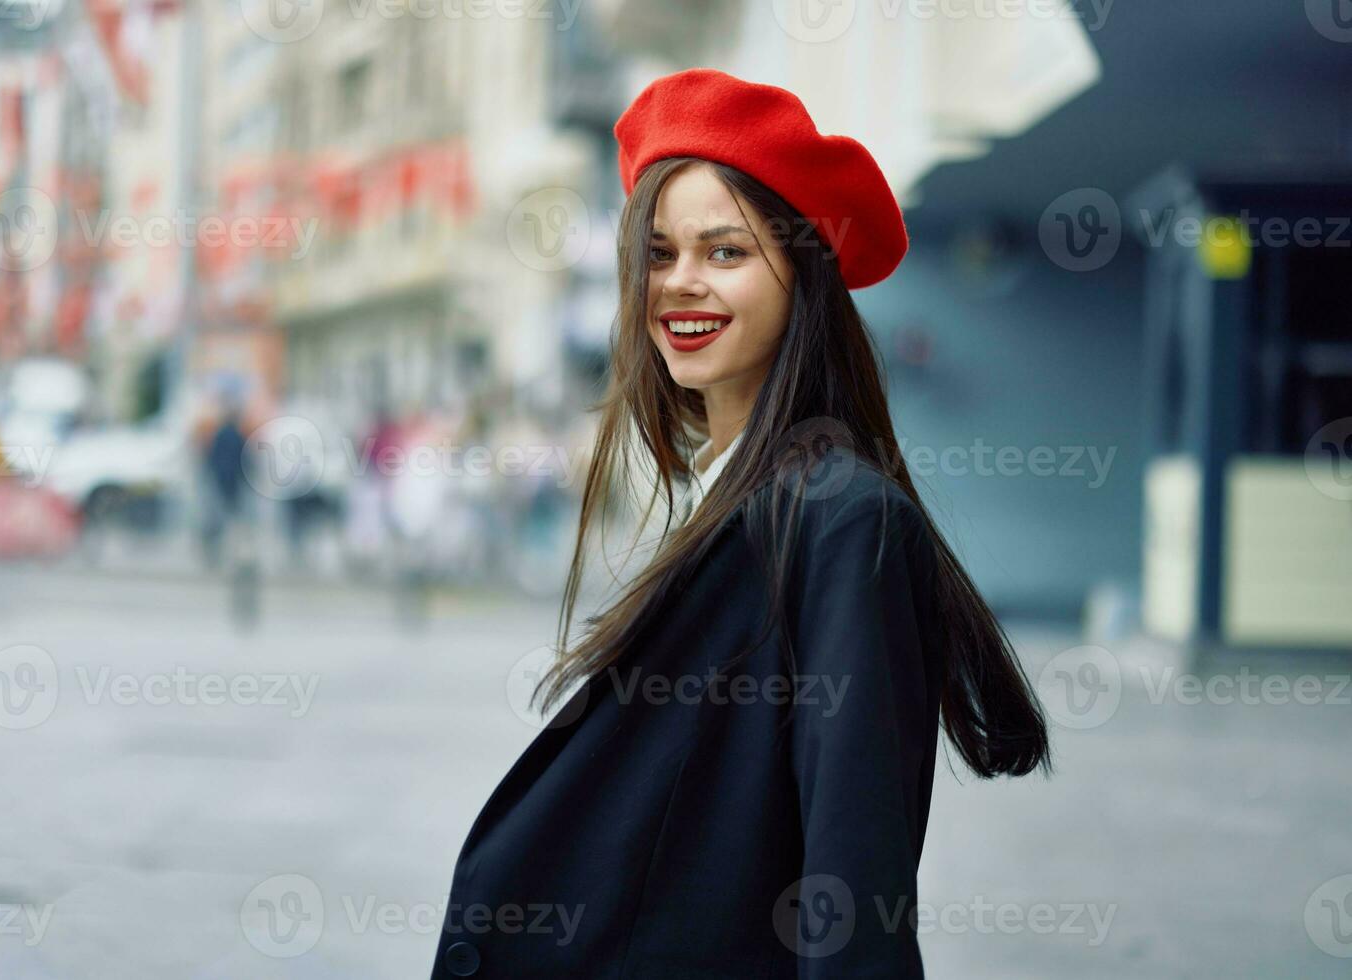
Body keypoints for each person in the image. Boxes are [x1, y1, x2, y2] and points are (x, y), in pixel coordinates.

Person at [428, 68, 1053, 979]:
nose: (682, 286)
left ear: (800, 276)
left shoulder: (842, 520)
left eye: (726, 253)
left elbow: (853, 873)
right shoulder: (726, 493)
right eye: (660, 253)